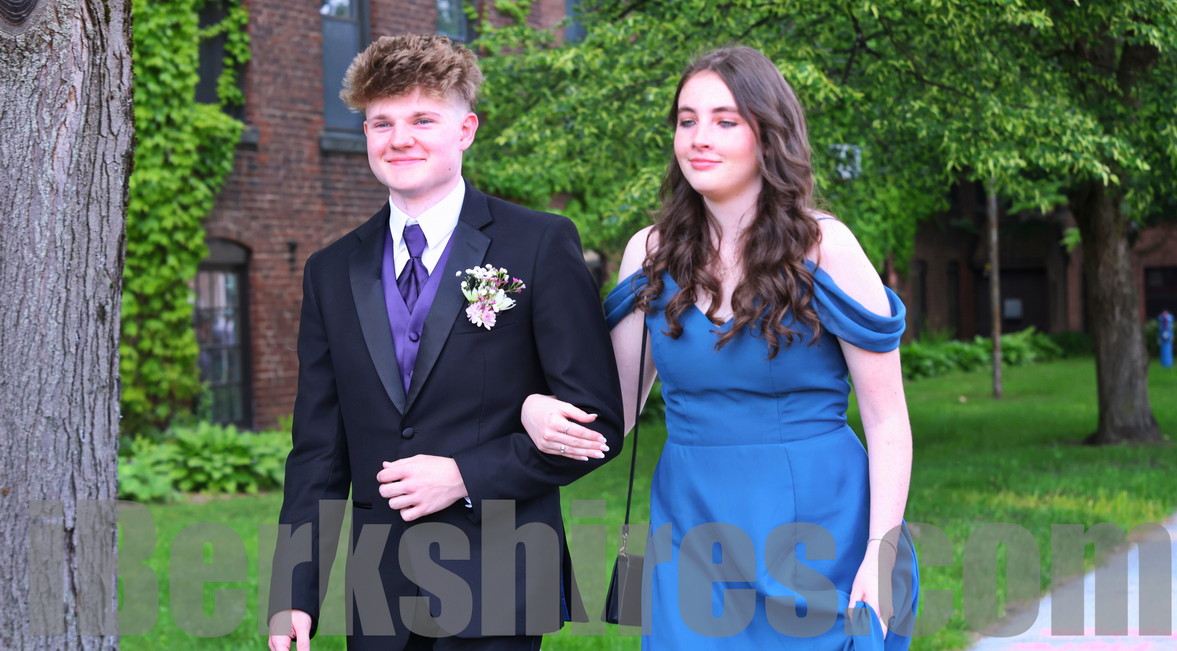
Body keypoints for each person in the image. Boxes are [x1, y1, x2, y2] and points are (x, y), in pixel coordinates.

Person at [521, 46, 919, 648]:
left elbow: (888, 419)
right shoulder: (650, 254)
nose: (699, 138)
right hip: (692, 529)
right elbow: (612, 413)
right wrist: (532, 407)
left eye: (725, 121)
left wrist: (880, 553)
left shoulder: (826, 249)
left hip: (821, 529)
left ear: (769, 134)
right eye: (687, 120)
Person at [267, 34, 624, 651]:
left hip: (499, 578)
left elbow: (597, 426)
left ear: (466, 130)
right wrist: (293, 593)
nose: (399, 138)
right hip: (378, 591)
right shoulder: (331, 271)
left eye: (422, 119)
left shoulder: (538, 244)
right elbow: (319, 451)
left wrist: (464, 476)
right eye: (382, 122)